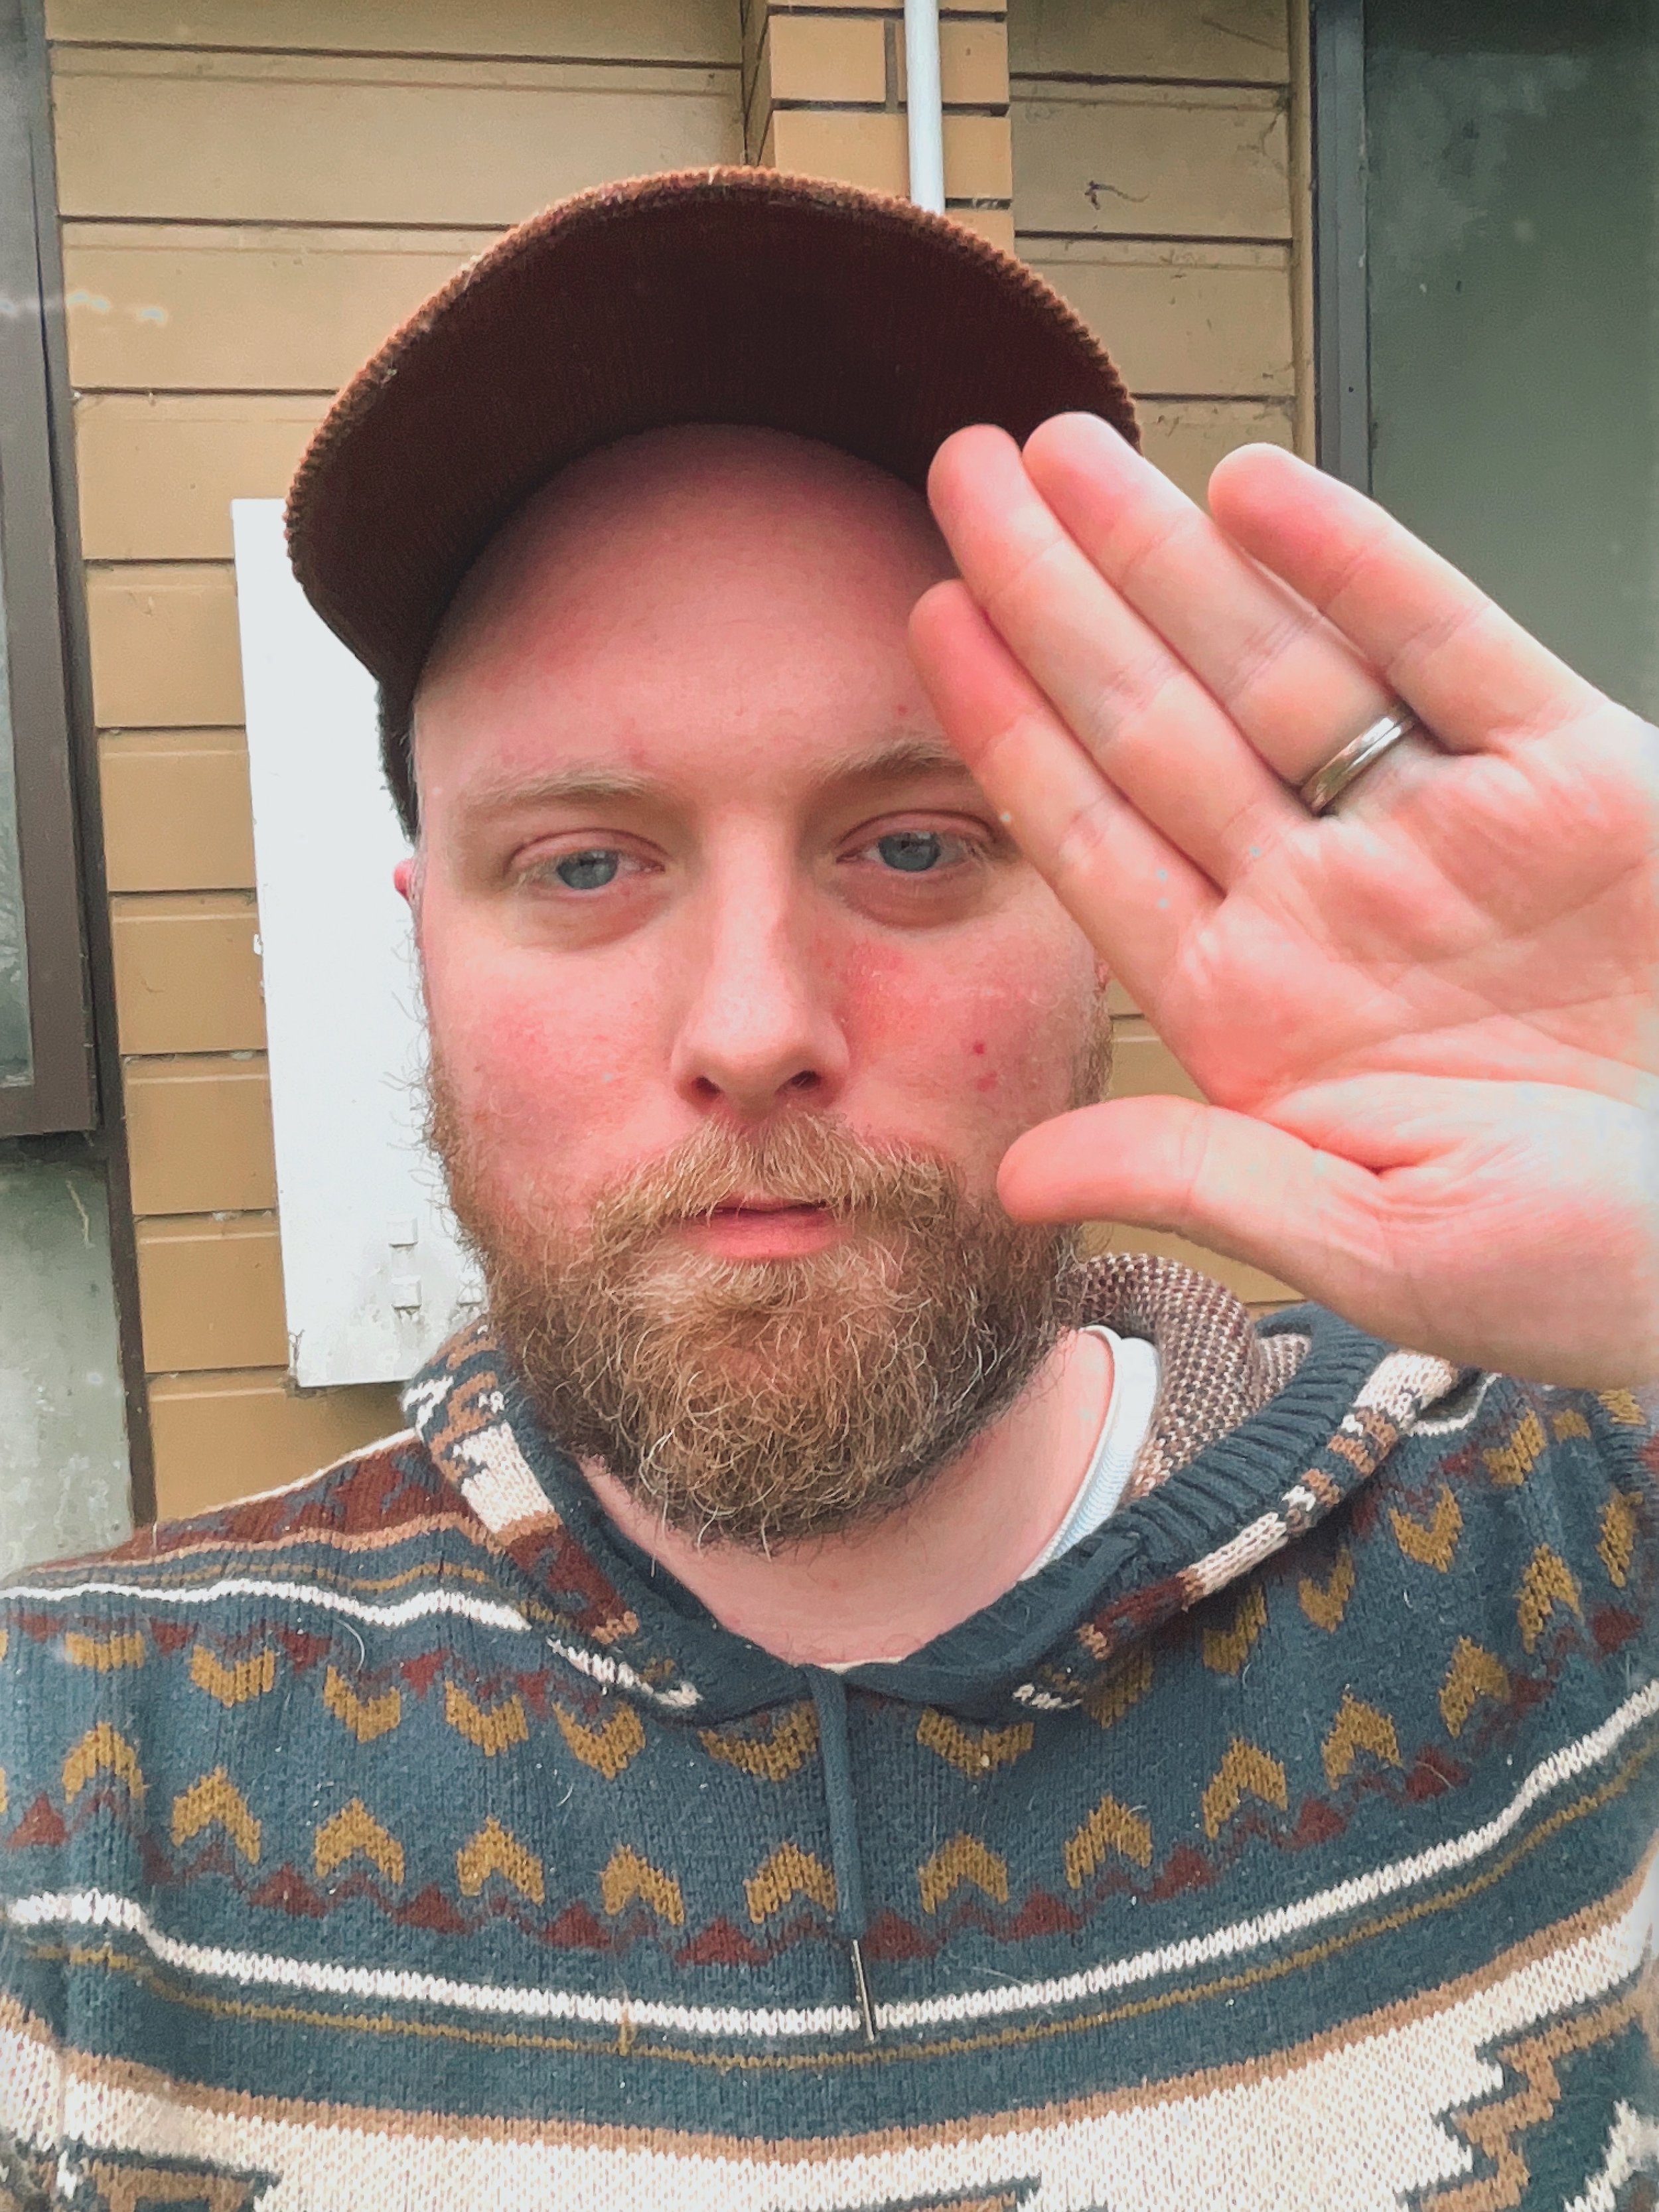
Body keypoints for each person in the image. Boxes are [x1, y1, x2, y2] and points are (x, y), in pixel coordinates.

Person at [3, 167, 1656, 2211]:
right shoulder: (75, 1786)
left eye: (911, 846)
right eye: (588, 864)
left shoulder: (1587, 1549)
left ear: (1104, 909)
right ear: (428, 944)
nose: (757, 1023)